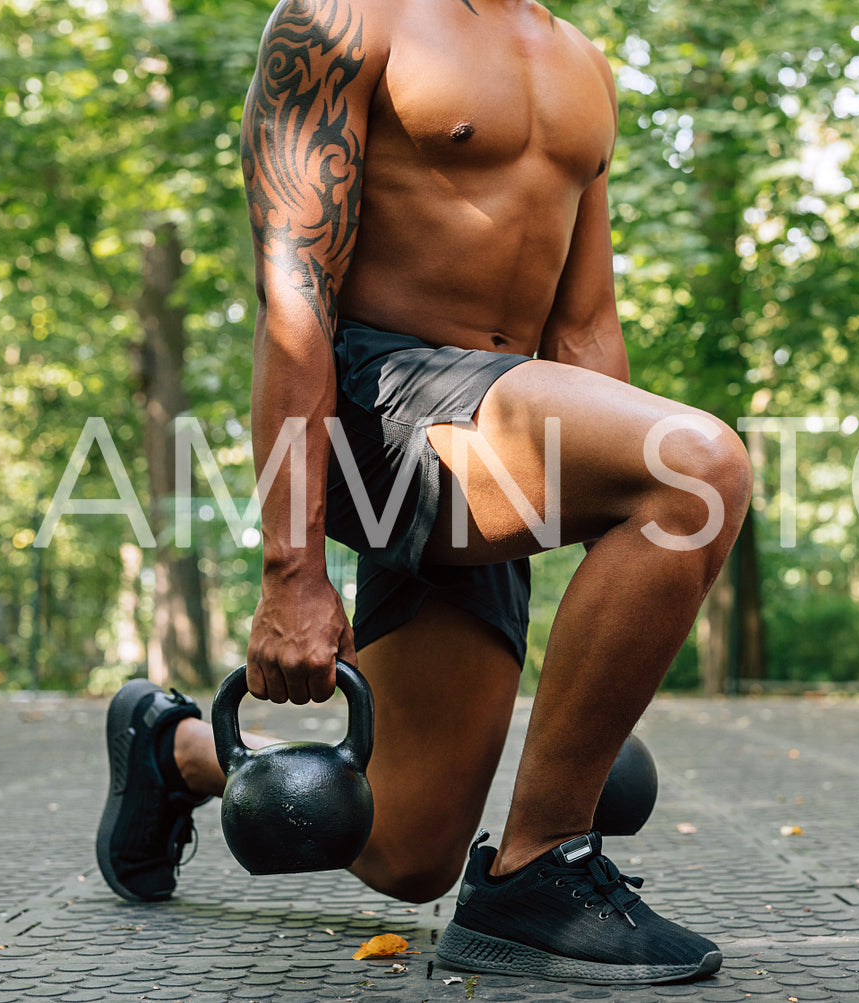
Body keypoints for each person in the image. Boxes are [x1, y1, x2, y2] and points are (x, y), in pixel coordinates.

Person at [94, 0, 751, 986]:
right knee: (696, 460)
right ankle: (538, 874)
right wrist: (292, 570)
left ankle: (174, 751)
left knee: (404, 849)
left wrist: (614, 626)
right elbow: (294, 295)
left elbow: (584, 326)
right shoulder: (343, 18)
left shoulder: (579, 62)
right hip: (376, 404)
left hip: (502, 433)